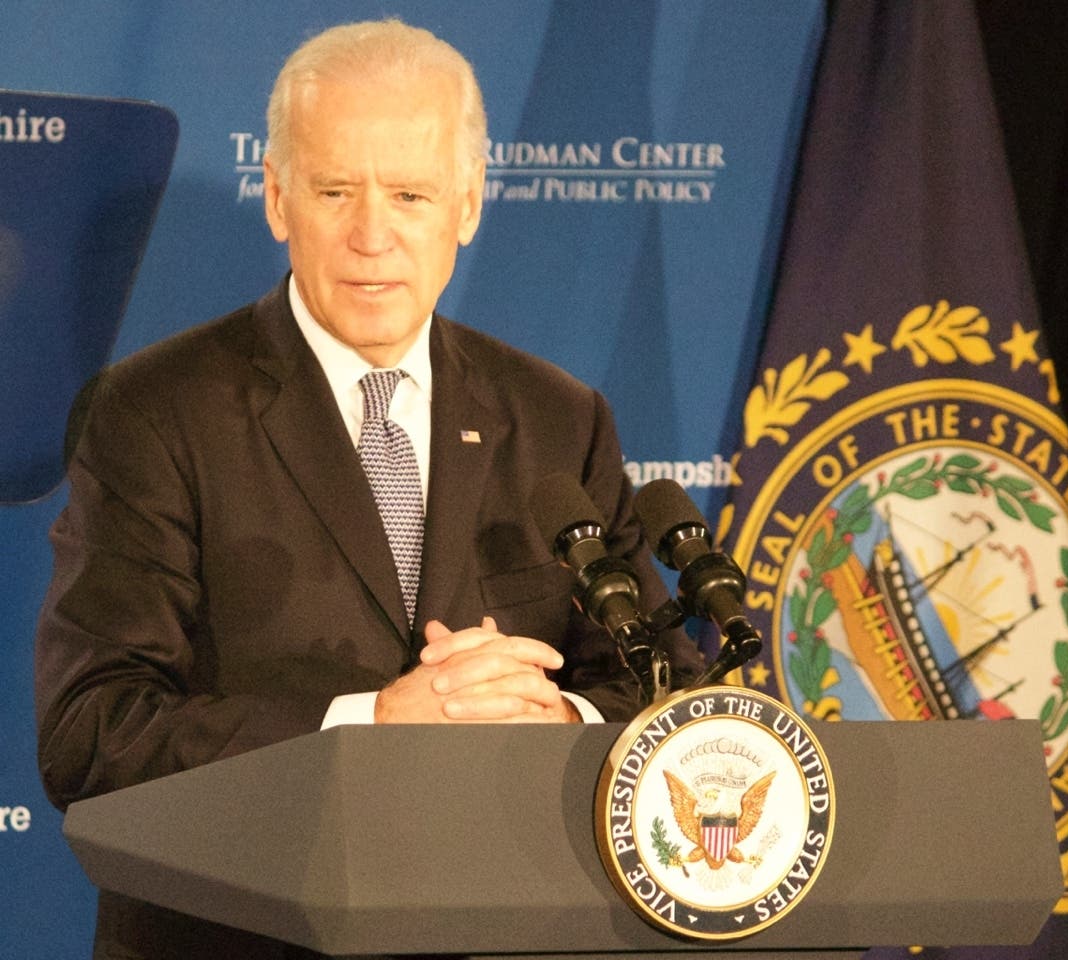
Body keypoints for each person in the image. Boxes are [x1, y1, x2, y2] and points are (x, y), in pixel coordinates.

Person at [34, 18, 705, 959]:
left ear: (468, 206)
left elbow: (656, 691)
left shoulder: (560, 418)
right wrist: (375, 722)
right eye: (336, 189)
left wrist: (557, 718)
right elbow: (91, 733)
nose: (372, 234)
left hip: (500, 928)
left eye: (411, 193)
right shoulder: (154, 412)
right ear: (276, 197)